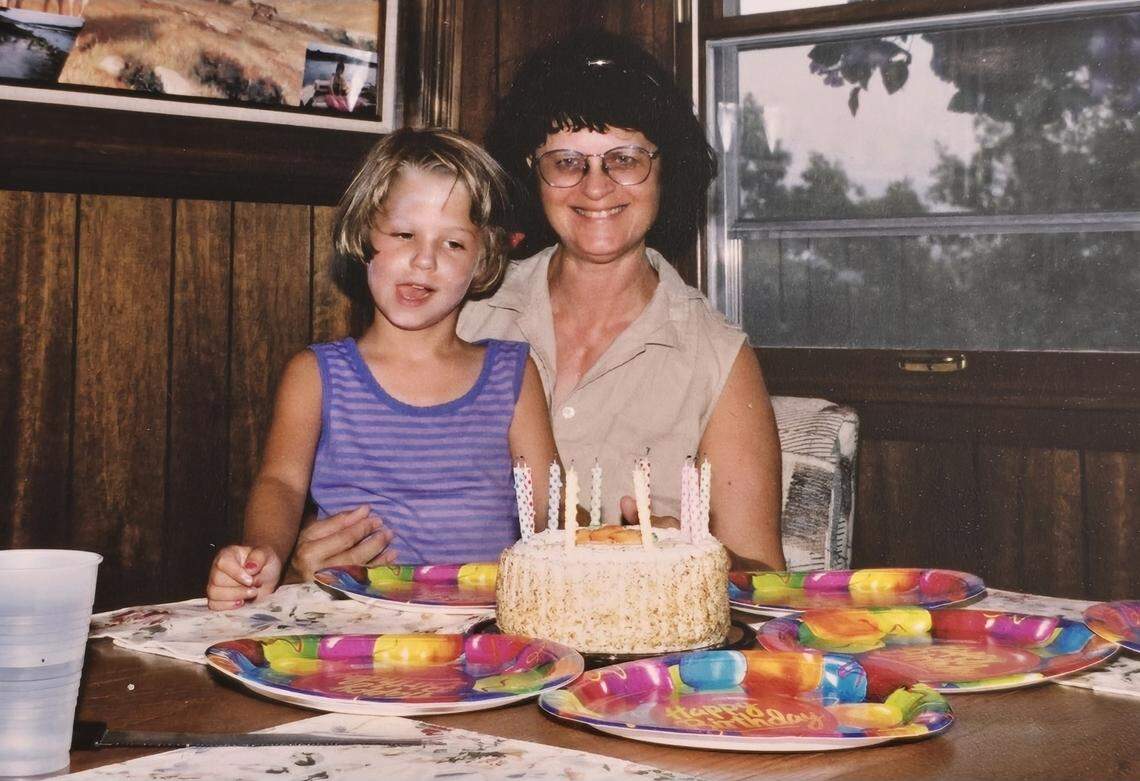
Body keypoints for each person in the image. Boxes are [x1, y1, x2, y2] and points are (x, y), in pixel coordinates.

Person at [457, 29, 786, 570]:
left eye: (624, 159)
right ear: (531, 174)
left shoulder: (716, 354)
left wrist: (696, 557)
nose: (595, 186)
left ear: (665, 169)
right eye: (567, 162)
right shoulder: (465, 311)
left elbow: (765, 577)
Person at [206, 128, 557, 610]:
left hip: (485, 628)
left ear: (483, 260)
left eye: (453, 244)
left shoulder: (513, 374)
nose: (424, 259)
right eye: (404, 234)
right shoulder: (316, 374)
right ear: (365, 234)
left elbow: (549, 513)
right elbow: (281, 483)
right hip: (354, 623)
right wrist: (262, 554)